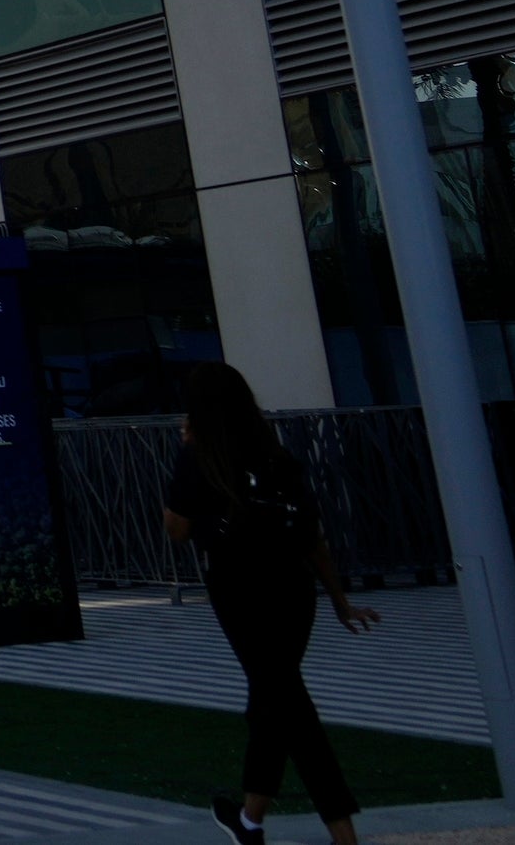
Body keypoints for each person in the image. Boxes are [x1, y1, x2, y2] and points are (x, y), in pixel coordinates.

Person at [166, 361, 373, 845]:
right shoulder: (275, 456)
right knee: (275, 699)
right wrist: (341, 600)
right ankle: (249, 821)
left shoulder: (200, 457)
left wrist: (191, 462)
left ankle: (342, 833)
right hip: (293, 591)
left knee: (285, 705)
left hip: (240, 591)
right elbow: (310, 535)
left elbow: (175, 528)